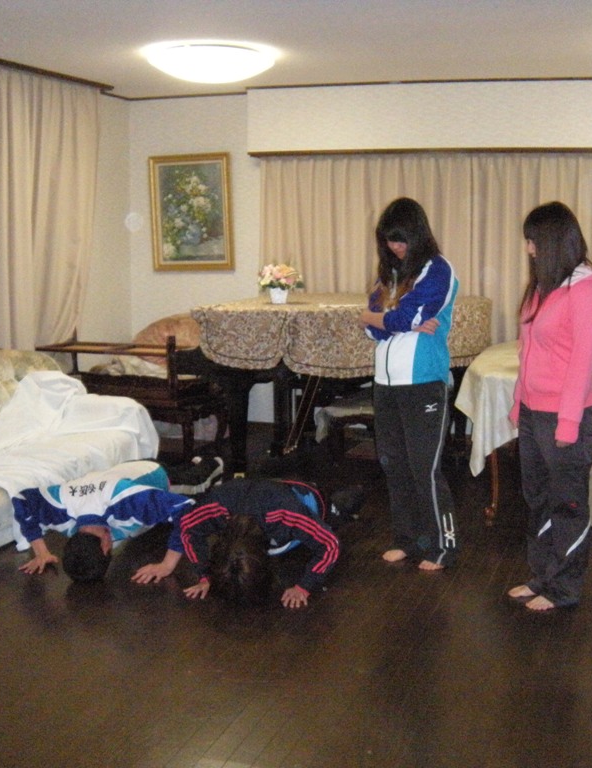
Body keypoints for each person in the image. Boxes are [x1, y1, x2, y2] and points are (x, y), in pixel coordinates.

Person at [508, 201, 592, 611]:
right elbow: (528, 350)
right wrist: (519, 403)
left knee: (567, 504)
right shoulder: (543, 287)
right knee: (537, 500)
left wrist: (567, 423)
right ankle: (542, 576)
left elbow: (583, 363)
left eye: (533, 241)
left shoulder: (586, 290)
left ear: (551, 242)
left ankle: (564, 587)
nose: (528, 249)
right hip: (534, 413)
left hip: (567, 417)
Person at [359, 197, 458, 571]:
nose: (395, 246)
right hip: (385, 383)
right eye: (389, 240)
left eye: (400, 239)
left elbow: (403, 318)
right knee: (394, 465)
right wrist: (384, 318)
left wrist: (383, 318)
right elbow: (375, 328)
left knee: (424, 468)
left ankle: (443, 546)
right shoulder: (389, 275)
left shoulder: (438, 270)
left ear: (417, 235)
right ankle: (407, 539)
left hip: (424, 382)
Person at [13, 459, 218, 583]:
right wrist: (41, 551)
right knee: (183, 468)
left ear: (105, 545)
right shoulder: (59, 505)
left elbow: (185, 510)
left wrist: (167, 565)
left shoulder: (129, 501)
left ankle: (215, 462)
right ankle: (191, 462)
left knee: (198, 483)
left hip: (154, 473)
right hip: (120, 472)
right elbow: (21, 499)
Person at [179, 479, 360, 608]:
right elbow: (187, 528)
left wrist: (304, 586)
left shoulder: (286, 512)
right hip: (260, 490)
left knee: (348, 502)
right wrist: (203, 575)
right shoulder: (217, 507)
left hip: (306, 497)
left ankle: (353, 492)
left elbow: (330, 544)